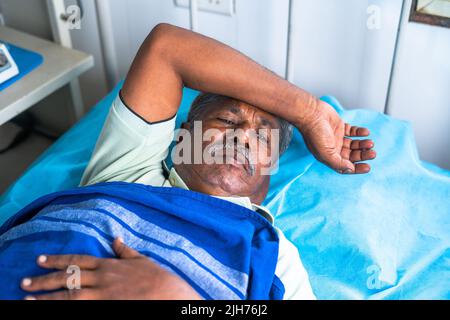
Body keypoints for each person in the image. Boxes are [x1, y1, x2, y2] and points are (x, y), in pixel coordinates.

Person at [0, 24, 375, 300]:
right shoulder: (128, 169)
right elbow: (167, 47)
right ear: (182, 140)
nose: (243, 136)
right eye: (226, 121)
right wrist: (309, 113)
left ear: (269, 175)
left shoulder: (276, 256)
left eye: (263, 137)